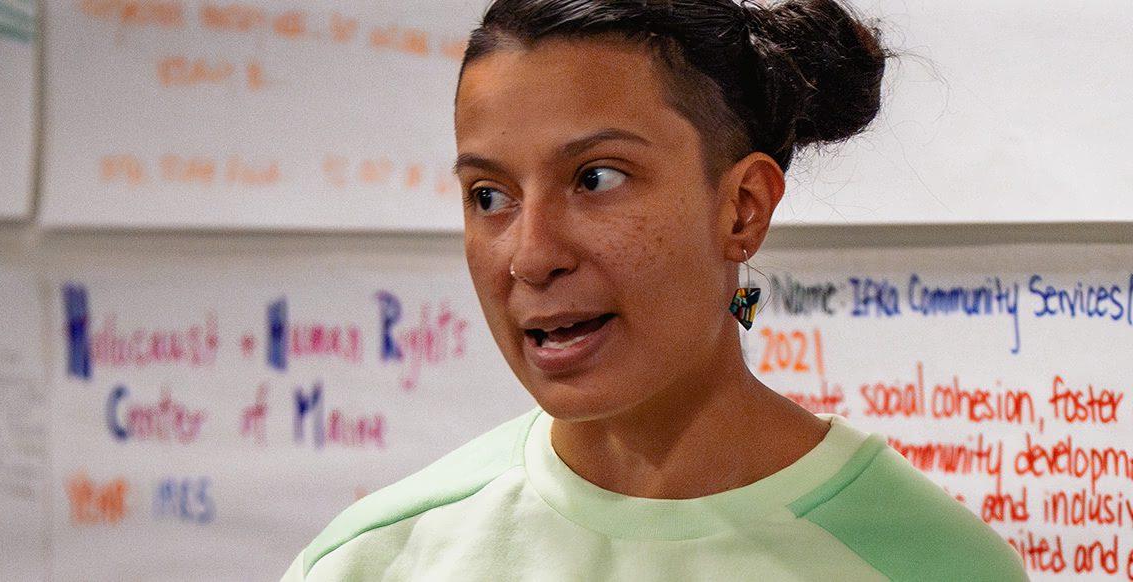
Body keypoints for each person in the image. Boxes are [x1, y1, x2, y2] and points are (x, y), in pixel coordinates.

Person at [282, 0, 1028, 579]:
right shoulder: (373, 564)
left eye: (596, 178)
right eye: (489, 195)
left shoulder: (930, 566)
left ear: (742, 209)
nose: (531, 255)